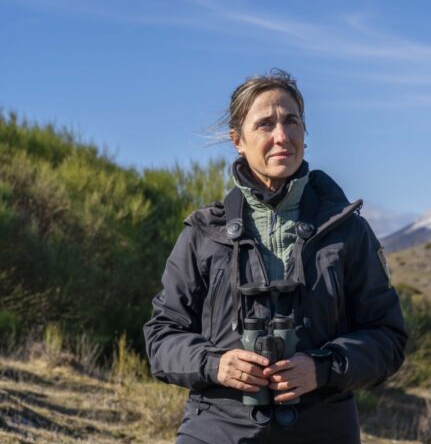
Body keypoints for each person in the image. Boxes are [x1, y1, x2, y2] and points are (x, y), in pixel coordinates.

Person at [143, 69, 407, 444]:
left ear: (304, 132)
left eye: (291, 121)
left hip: (323, 429)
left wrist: (322, 368)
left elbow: (388, 337)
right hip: (217, 430)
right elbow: (161, 338)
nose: (281, 136)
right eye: (265, 124)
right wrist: (216, 364)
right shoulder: (202, 234)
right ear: (238, 140)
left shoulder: (348, 232)